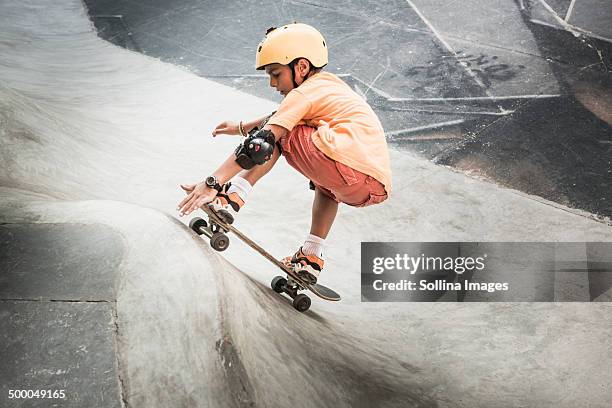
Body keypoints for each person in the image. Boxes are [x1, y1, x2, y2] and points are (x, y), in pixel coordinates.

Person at [178, 23, 392, 284]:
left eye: (276, 73)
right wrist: (240, 127)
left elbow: (264, 142)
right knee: (323, 182)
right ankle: (312, 256)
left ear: (301, 67)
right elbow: (279, 116)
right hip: (370, 186)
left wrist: (213, 182)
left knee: (279, 133)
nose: (272, 83)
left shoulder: (304, 92)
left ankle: (231, 197)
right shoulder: (329, 89)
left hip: (343, 162)